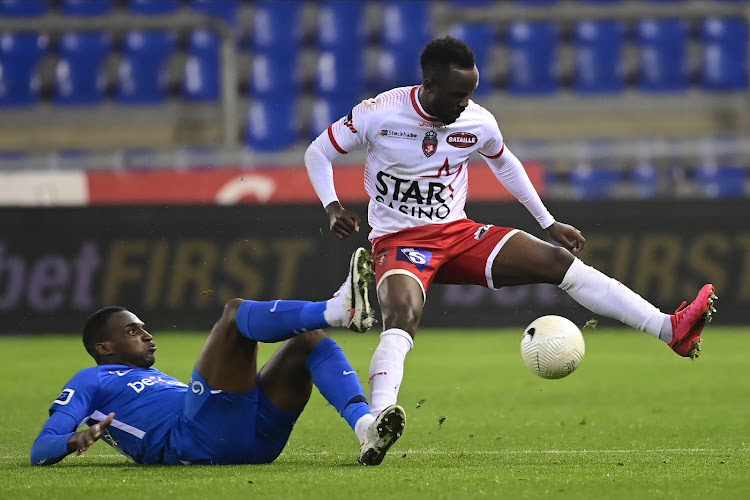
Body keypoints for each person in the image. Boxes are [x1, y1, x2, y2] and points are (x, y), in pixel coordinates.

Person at [304, 36, 718, 421]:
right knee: (402, 315)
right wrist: (332, 205)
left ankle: (669, 329)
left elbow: (504, 162)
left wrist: (548, 221)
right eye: (457, 95)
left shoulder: (477, 122)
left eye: (470, 93)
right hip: (399, 241)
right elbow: (318, 151)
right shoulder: (380, 113)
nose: (465, 103)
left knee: (557, 261)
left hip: (457, 234)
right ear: (429, 86)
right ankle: (378, 423)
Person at [30, 248, 405, 467]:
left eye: (144, 327)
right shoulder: (91, 380)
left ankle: (365, 428)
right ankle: (337, 309)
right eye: (132, 331)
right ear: (104, 349)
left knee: (307, 340)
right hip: (197, 440)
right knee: (234, 313)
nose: (146, 335)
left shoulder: (153, 380)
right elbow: (39, 449)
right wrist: (72, 441)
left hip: (253, 439)